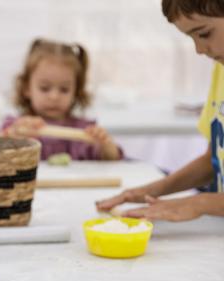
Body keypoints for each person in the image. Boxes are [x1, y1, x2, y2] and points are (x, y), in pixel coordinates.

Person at [96, 0, 224, 221]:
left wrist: (199, 203)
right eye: (191, 38)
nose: (199, 49)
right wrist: (151, 190)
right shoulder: (220, 71)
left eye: (203, 34)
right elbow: (213, 161)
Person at [0, 38, 122, 161]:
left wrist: (106, 145)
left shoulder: (84, 130)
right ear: (26, 88)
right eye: (45, 88)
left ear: (76, 92)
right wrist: (10, 136)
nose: (54, 97)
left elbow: (113, 159)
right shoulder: (16, 125)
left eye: (64, 89)